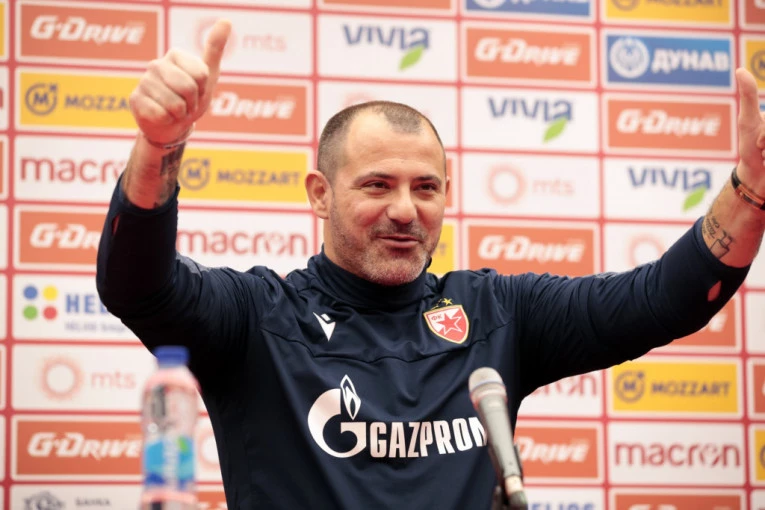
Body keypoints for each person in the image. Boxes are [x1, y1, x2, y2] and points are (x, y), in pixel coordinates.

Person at [96, 19, 765, 509]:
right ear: (319, 194)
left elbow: (663, 299)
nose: (404, 210)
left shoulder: (496, 313)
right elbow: (139, 288)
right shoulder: (258, 317)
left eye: (425, 187)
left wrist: (752, 193)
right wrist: (159, 150)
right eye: (376, 185)